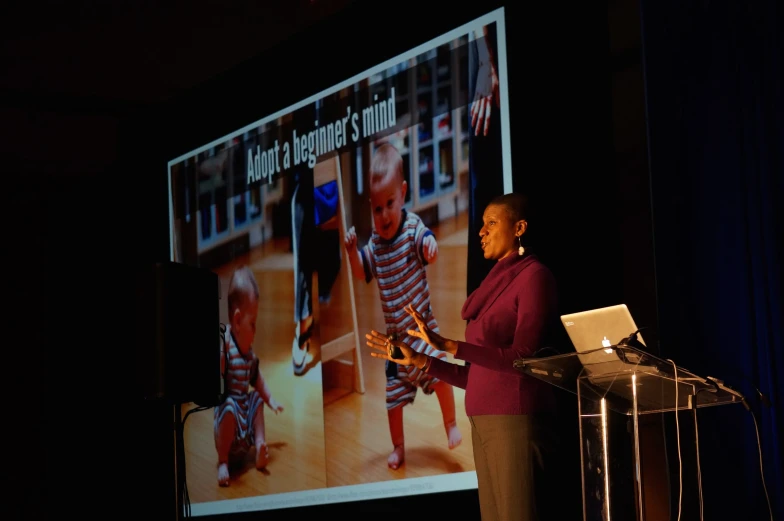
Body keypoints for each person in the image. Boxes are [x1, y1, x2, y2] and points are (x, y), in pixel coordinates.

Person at [367, 193, 560, 521]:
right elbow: (477, 376)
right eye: (481, 224)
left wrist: (451, 346)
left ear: (520, 228)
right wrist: (420, 360)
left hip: (514, 420)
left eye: (492, 223)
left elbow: (523, 357)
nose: (481, 232)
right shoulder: (494, 284)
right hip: (484, 422)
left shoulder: (534, 277)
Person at [344, 143, 462, 470]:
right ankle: (398, 447)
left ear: (404, 193)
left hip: (424, 336)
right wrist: (353, 253)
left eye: (390, 204)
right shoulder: (375, 245)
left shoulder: (412, 229)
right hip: (396, 345)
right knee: (392, 402)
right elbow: (360, 272)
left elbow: (426, 244)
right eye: (377, 208)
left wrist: (431, 246)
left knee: (441, 378)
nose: (383, 215)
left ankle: (450, 423)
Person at [214, 266, 284, 487]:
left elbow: (258, 379)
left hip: (244, 429)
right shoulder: (227, 347)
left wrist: (270, 398)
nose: (255, 331)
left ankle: (260, 447)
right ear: (236, 321)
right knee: (229, 407)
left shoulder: (250, 355)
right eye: (252, 324)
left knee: (256, 399)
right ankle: (223, 461)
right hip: (228, 421)